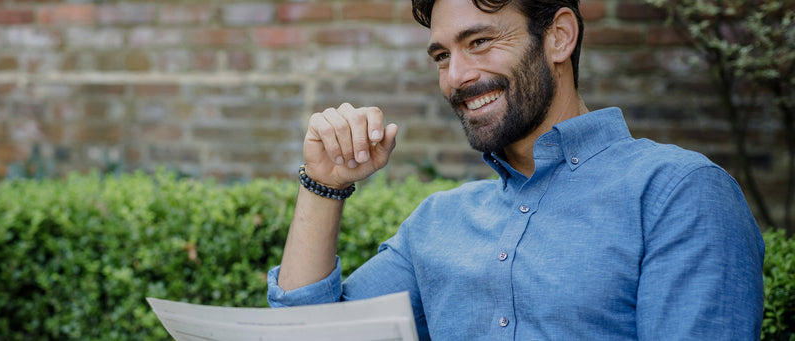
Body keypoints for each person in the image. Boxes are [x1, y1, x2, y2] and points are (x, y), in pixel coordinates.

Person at [265, 0, 766, 339]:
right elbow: (307, 333)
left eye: (479, 42)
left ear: (559, 38)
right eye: (442, 55)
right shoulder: (436, 222)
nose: (457, 76)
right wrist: (323, 184)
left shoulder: (676, 193)